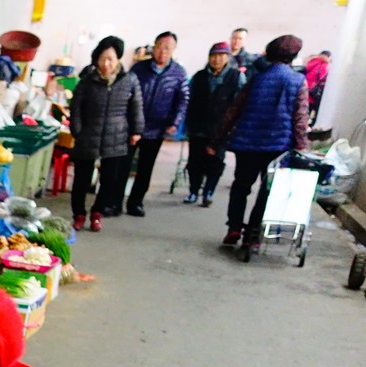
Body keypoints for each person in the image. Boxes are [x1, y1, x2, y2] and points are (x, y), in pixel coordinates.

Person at [212, 34, 309, 251]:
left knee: (241, 186)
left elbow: (233, 111)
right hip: (278, 147)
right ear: (293, 56)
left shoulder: (257, 78)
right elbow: (300, 118)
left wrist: (217, 137)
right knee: (267, 191)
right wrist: (302, 146)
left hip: (248, 143)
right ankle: (253, 235)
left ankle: (234, 228)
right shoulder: (297, 81)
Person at [68, 35, 144, 233]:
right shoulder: (87, 80)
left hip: (116, 136)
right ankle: (79, 214)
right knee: (81, 179)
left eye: (111, 58)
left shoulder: (129, 80)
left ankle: (97, 214)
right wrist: (77, 130)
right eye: (103, 58)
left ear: (118, 59)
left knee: (109, 180)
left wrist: (137, 130)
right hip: (88, 134)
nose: (106, 63)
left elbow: (136, 106)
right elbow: (75, 107)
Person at [127, 31, 189, 216]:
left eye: (167, 48)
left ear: (174, 50)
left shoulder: (178, 73)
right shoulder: (138, 69)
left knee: (145, 168)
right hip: (132, 126)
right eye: (160, 46)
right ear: (153, 47)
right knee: (123, 165)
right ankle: (112, 201)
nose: (163, 51)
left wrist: (174, 122)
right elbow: (126, 94)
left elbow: (183, 100)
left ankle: (136, 202)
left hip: (157, 128)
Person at [184, 42, 243, 206]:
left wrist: (234, 126)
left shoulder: (236, 77)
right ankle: (193, 191)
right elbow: (189, 100)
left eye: (221, 56)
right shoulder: (199, 76)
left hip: (221, 129)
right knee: (194, 162)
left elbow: (239, 104)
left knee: (215, 162)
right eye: (213, 55)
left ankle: (208, 192)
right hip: (198, 127)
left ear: (227, 58)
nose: (217, 59)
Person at [305, 51, 330, 123]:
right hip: (314, 92)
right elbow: (324, 78)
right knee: (316, 111)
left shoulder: (311, 63)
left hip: (306, 90)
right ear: (327, 56)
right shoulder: (324, 65)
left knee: (304, 112)